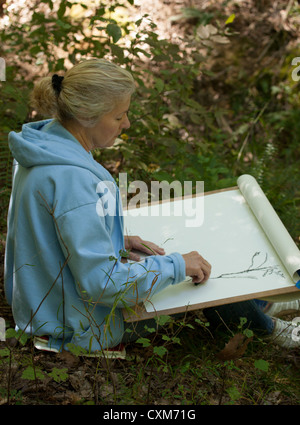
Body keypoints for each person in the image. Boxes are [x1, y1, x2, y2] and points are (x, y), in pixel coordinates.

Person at [4, 58, 299, 354]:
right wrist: (176, 266)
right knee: (199, 276)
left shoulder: (43, 151)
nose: (127, 123)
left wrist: (116, 239)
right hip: (80, 329)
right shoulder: (72, 179)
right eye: (119, 116)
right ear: (85, 115)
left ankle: (263, 304)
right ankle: (270, 327)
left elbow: (57, 236)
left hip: (47, 309)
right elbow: (102, 284)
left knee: (187, 263)